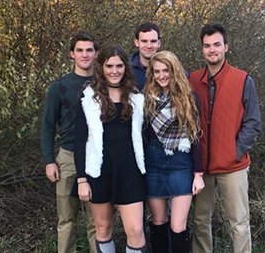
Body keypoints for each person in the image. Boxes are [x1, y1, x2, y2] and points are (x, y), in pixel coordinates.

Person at [189, 23, 262, 253]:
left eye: (217, 45)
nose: (212, 50)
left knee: (239, 222)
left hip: (233, 165)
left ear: (226, 47)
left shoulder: (243, 80)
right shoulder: (191, 80)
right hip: (201, 167)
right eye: (207, 46)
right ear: (202, 50)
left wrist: (235, 150)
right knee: (201, 222)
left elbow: (253, 122)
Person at [73, 44, 147, 253]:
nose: (115, 71)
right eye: (109, 65)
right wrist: (81, 179)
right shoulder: (88, 98)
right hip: (99, 172)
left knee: (136, 229)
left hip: (130, 171)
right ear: (101, 67)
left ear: (126, 68)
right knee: (103, 228)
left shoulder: (137, 98)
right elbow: (79, 141)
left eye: (119, 66)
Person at [40, 32, 98, 253]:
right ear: (72, 54)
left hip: (96, 159)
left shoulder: (104, 83)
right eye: (80, 50)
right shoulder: (60, 86)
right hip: (68, 158)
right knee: (66, 220)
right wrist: (49, 161)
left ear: (96, 53)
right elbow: (47, 125)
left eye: (89, 50)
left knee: (97, 221)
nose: (85, 54)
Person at [143, 50, 205, 253]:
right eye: (157, 71)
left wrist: (198, 173)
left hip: (181, 164)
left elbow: (196, 137)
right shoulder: (147, 98)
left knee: (178, 226)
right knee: (159, 222)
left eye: (166, 70)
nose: (161, 75)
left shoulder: (189, 97)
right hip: (153, 164)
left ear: (174, 71)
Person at [131, 22, 161, 91]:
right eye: (144, 41)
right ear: (136, 43)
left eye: (153, 41)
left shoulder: (170, 68)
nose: (149, 46)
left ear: (159, 43)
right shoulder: (125, 69)